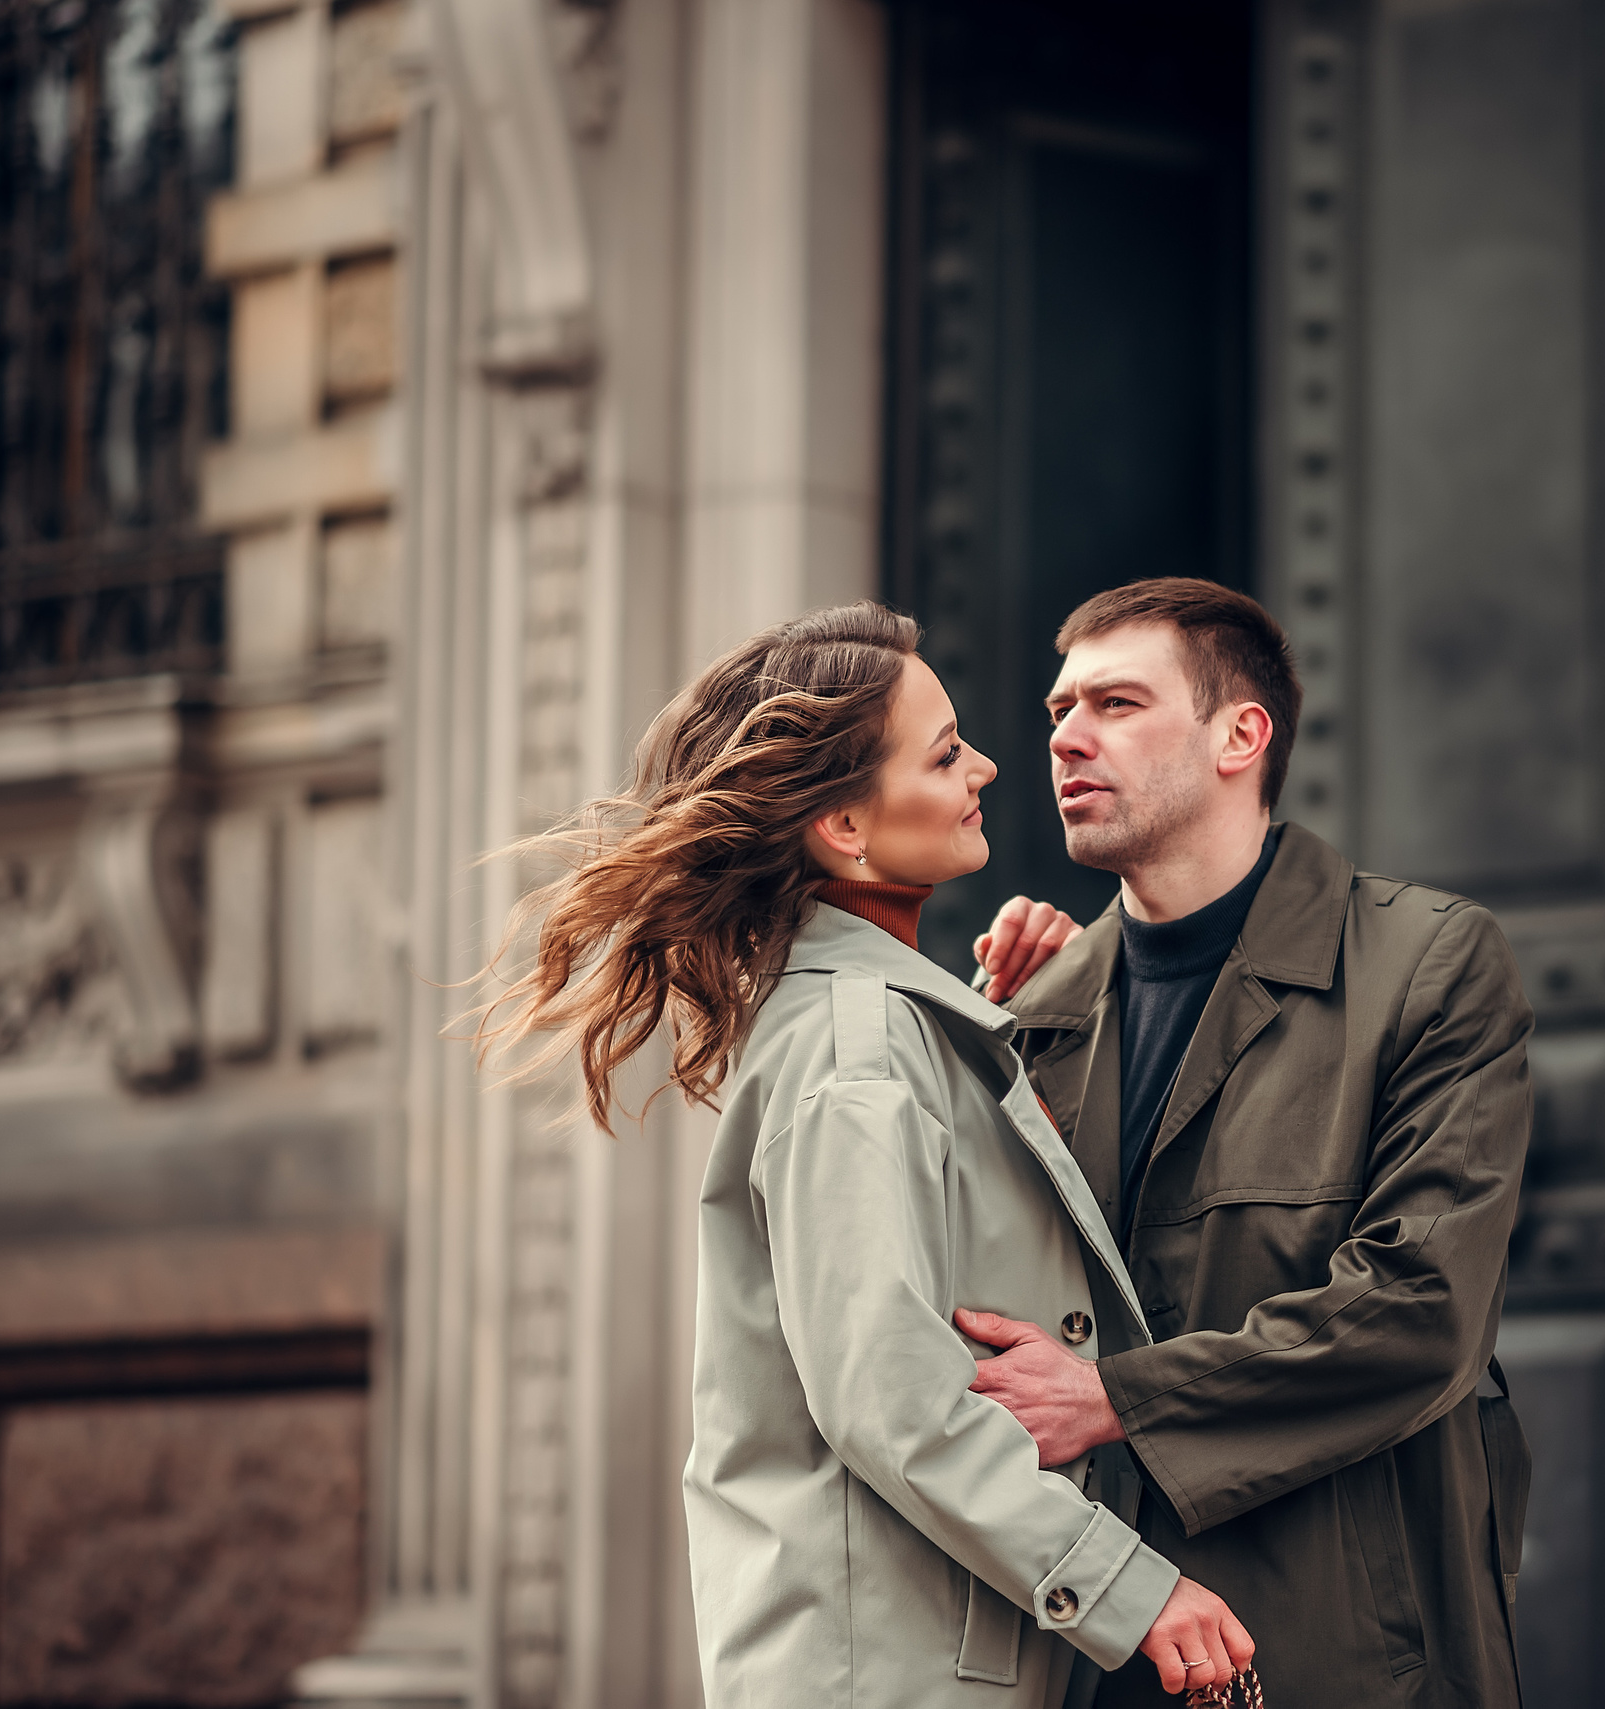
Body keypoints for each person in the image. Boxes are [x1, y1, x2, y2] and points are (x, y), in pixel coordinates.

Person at [476, 603, 1255, 1707]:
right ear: (844, 826)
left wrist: (1015, 1037)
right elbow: (890, 1394)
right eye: (944, 754)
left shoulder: (883, 1032)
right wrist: (1128, 1588)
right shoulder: (857, 1046)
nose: (988, 765)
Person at [962, 579, 1536, 1708]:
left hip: (1341, 1656)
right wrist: (980, 1038)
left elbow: (1422, 1309)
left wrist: (1118, 1398)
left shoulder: (1428, 963)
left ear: (1241, 733)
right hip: (1081, 1652)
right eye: (1058, 711)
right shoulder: (1029, 1010)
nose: (1067, 737)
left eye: (1116, 702)